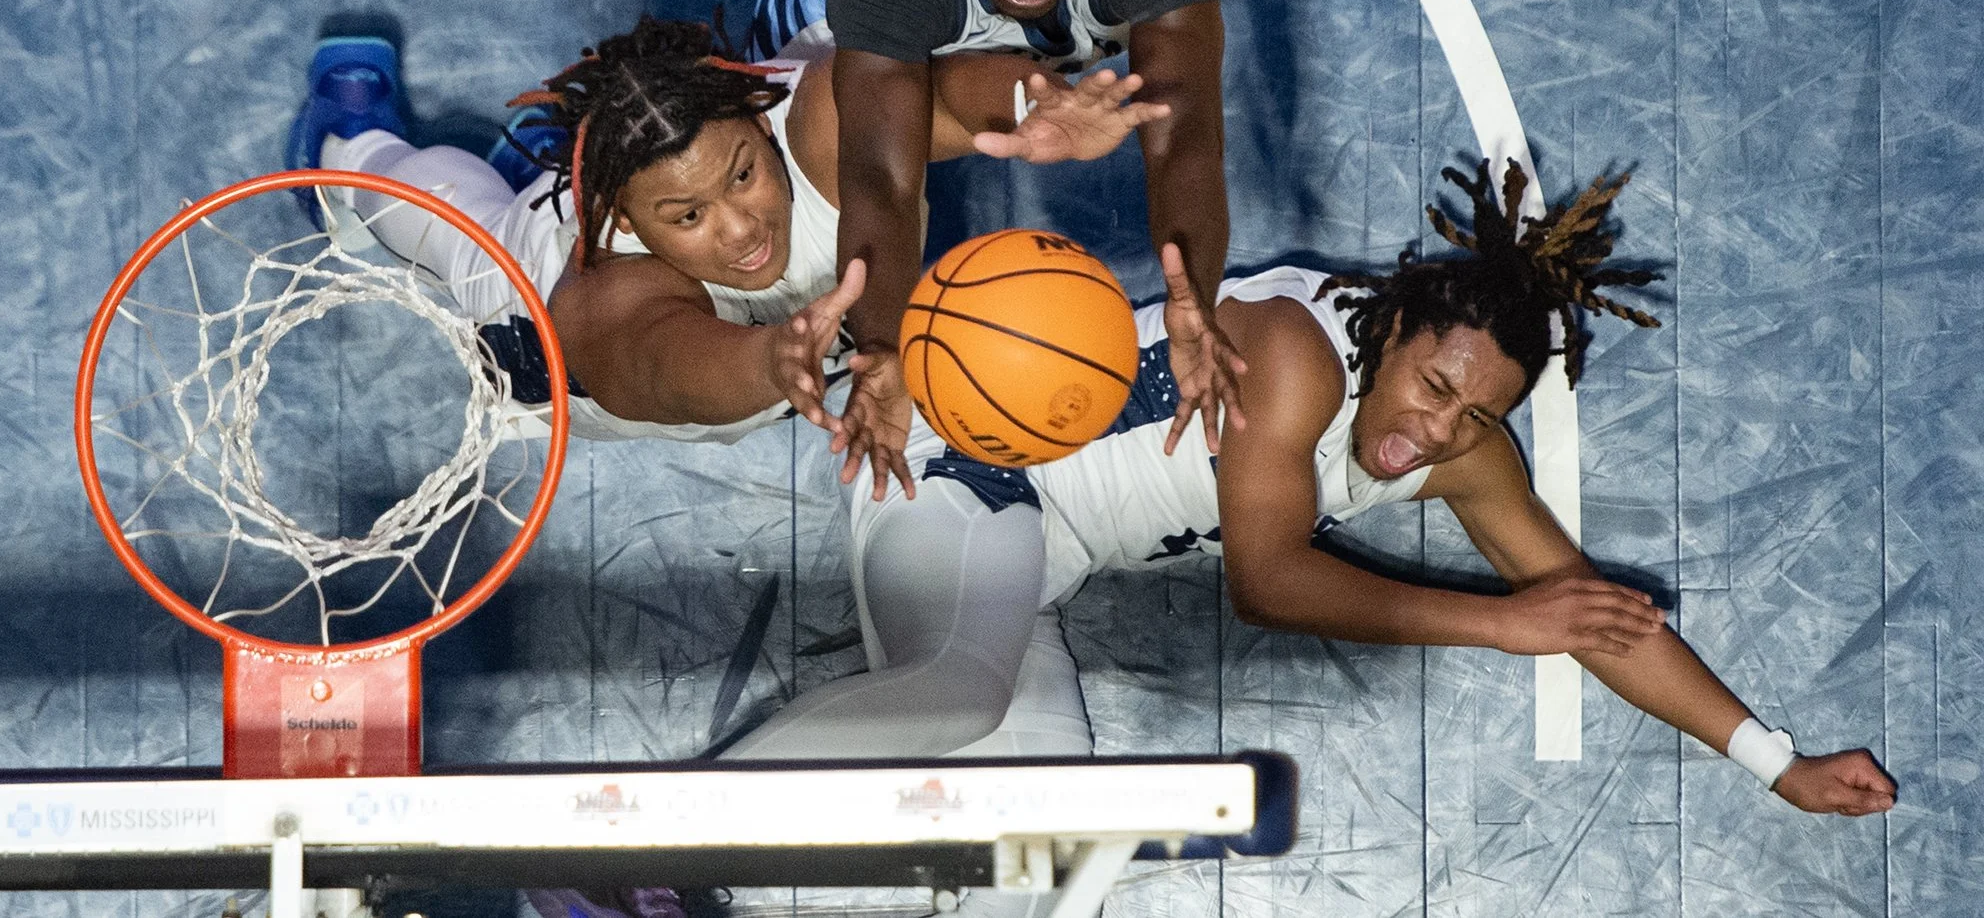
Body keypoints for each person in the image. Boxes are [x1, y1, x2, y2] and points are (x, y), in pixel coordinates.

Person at [723, 161, 1898, 822]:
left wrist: (1772, 759)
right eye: (1433, 385)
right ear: (1389, 329)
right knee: (955, 696)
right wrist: (1498, 621)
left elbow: (1591, 614)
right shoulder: (1293, 348)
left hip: (1039, 563)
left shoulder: (1460, 449)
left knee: (1036, 835)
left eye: (1476, 415)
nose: (1433, 431)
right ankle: (653, 841)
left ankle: (724, 891)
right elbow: (1268, 580)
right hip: (957, 460)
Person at [737, 0, 1245, 496]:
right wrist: (881, 348)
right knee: (757, 141)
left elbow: (1184, 132)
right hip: (832, 1)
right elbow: (882, 173)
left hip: (978, 3)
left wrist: (1198, 298)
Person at [284, 18, 1167, 456]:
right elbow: (666, 367)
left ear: (757, 116)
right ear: (629, 219)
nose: (743, 229)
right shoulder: (606, 290)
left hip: (770, 302)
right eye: (690, 215)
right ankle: (348, 138)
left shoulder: (809, 114)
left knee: (867, 33)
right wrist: (769, 365)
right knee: (452, 216)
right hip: (545, 319)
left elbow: (937, 95)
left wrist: (1032, 102)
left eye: (742, 174)